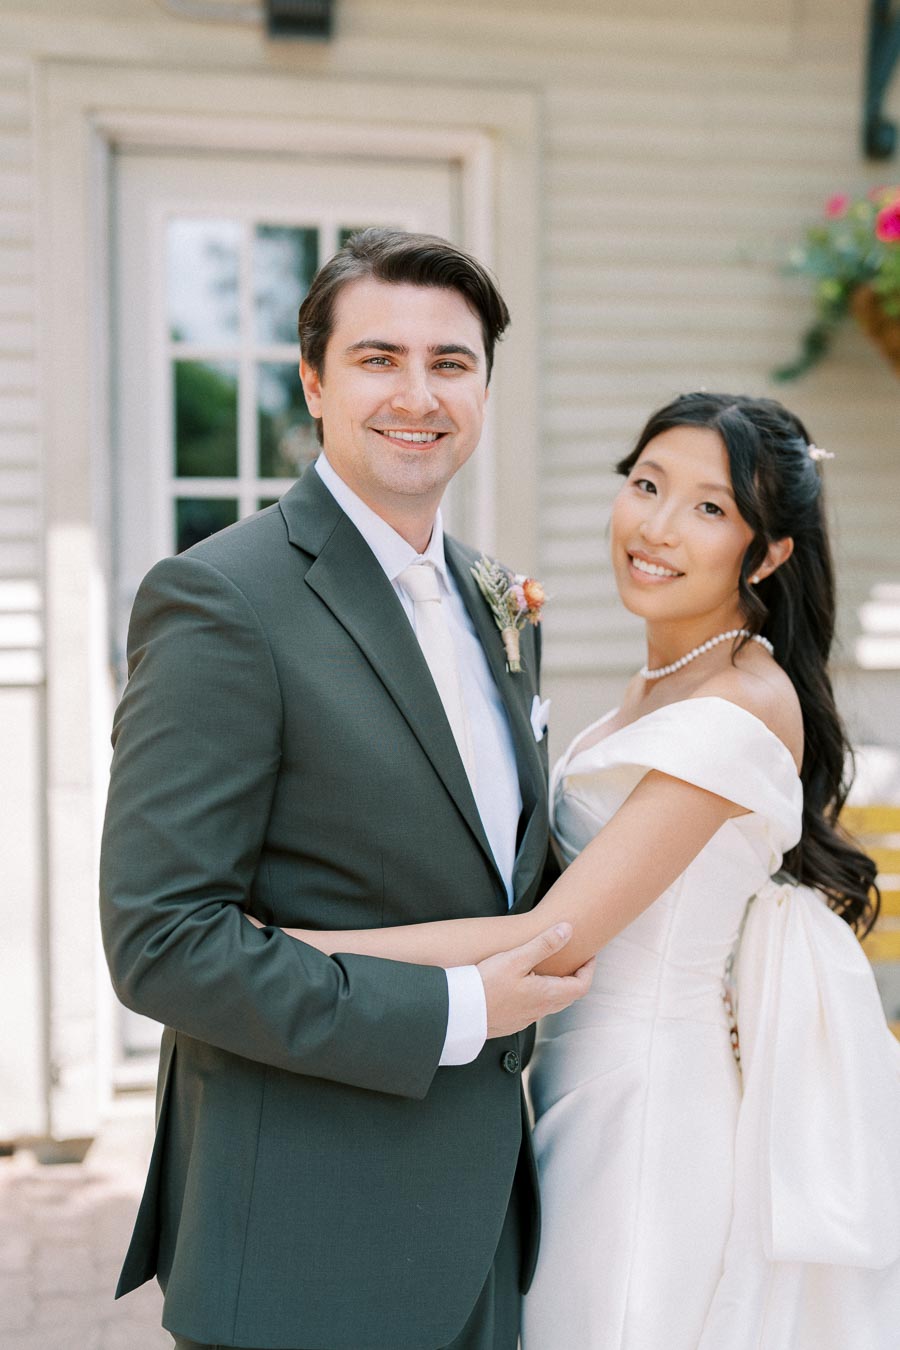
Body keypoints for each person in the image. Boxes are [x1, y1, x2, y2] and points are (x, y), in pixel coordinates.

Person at [278, 393, 900, 1348]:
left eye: (709, 508)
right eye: (646, 485)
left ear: (769, 552)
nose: (655, 527)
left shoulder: (736, 705)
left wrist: (297, 945)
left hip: (647, 1106)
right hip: (580, 1078)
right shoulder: (669, 678)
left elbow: (553, 933)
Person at [99, 228, 594, 1350]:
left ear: (482, 388)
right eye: (379, 358)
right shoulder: (222, 599)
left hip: (482, 1222)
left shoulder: (493, 597)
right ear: (315, 382)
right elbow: (162, 943)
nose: (417, 394)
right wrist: (461, 1009)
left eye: (451, 363)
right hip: (308, 1240)